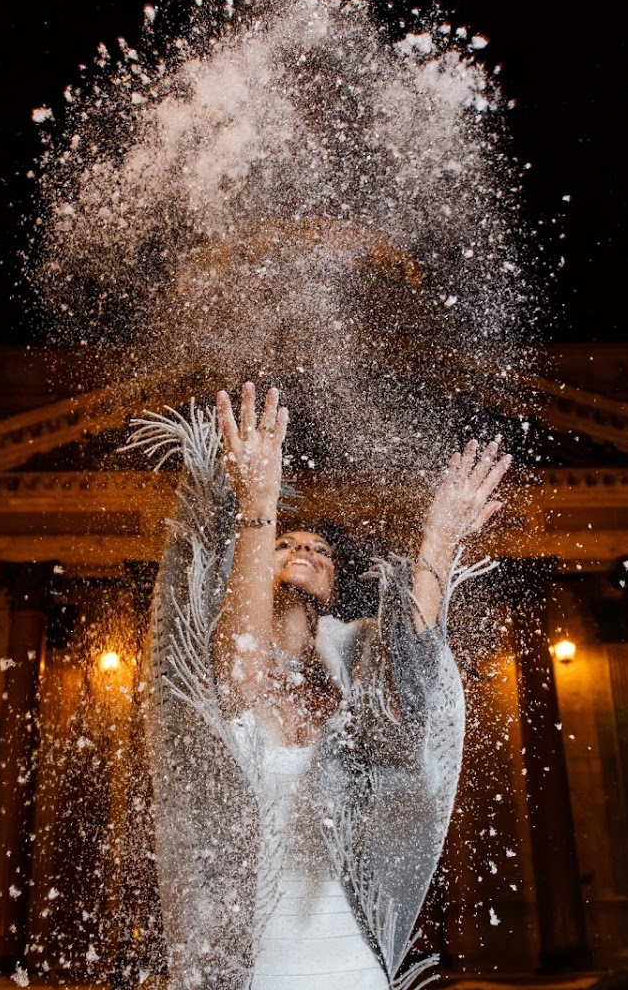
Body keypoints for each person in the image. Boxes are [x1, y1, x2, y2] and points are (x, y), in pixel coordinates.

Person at [127, 383, 510, 990]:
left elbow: (410, 697)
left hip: (353, 969)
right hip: (250, 973)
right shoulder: (223, 646)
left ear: (332, 584)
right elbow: (239, 678)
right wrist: (259, 503)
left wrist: (437, 540)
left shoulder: (352, 662)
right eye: (289, 543)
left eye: (321, 549)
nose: (305, 547)